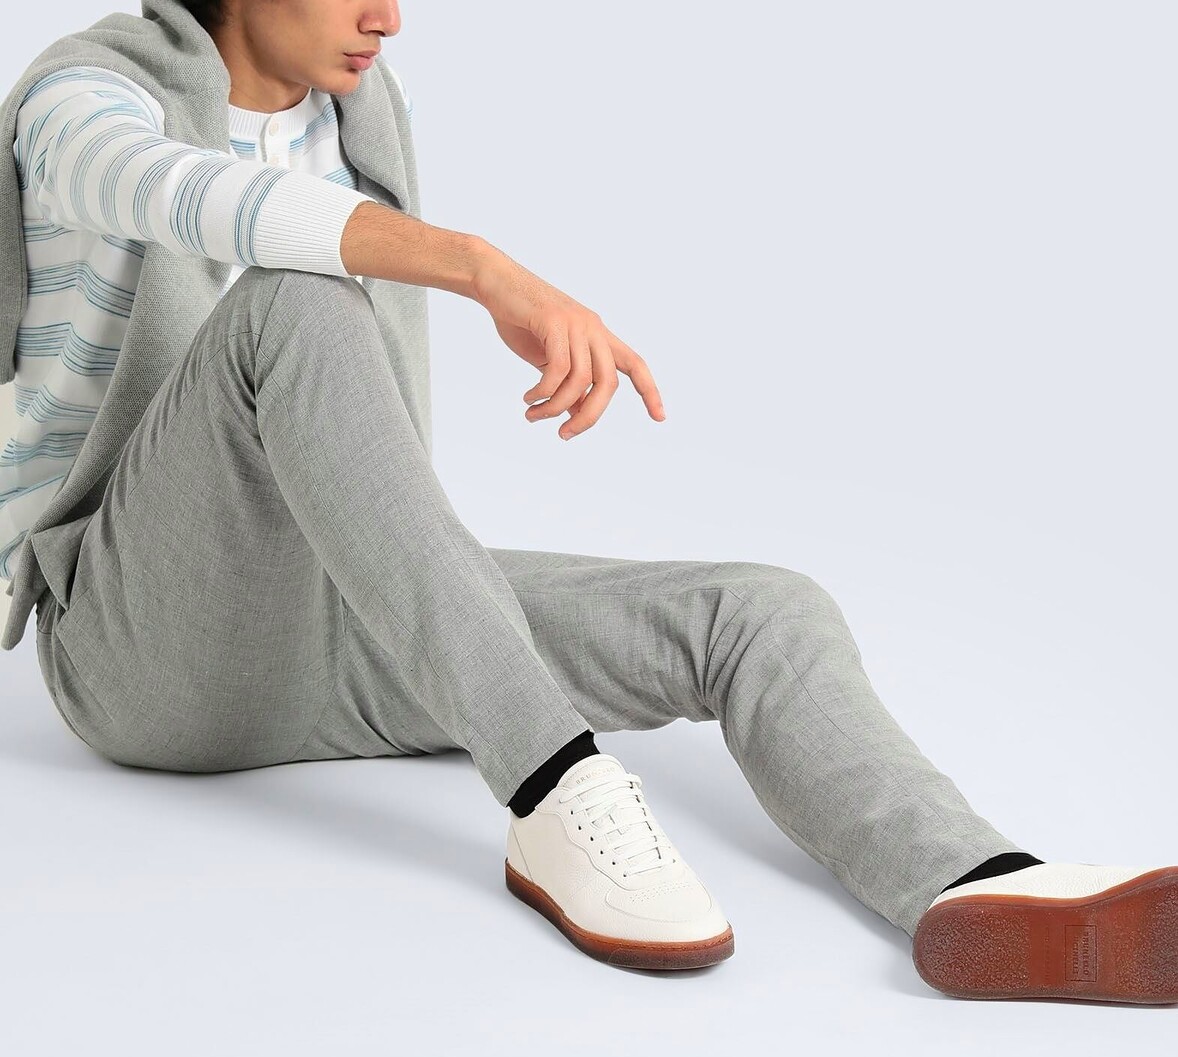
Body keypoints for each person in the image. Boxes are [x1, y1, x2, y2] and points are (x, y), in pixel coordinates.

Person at [1, 0, 1174, 999]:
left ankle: (974, 888)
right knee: (298, 298)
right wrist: (478, 266)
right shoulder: (82, 101)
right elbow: (178, 193)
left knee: (758, 610)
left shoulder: (357, 116)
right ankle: (553, 789)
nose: (388, 16)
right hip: (145, 652)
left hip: (347, 630)